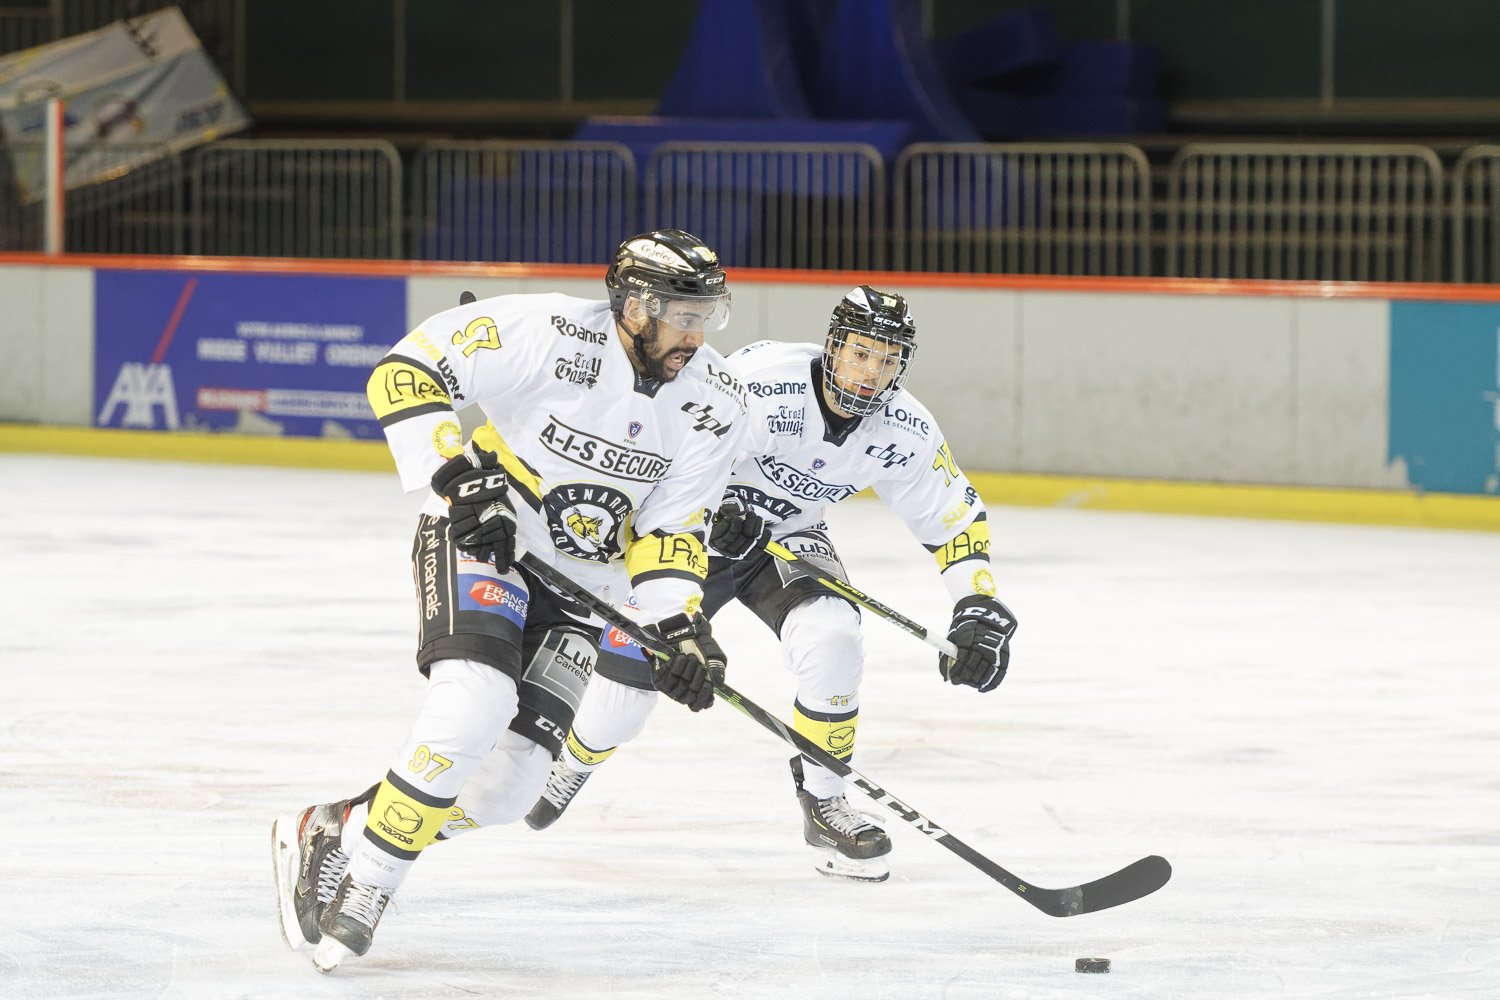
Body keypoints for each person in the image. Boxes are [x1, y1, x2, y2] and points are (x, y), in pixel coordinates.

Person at [271, 230, 750, 972]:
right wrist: (457, 475)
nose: (696, 335)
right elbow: (405, 371)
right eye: (684, 316)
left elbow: (671, 529)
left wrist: (678, 625)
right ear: (635, 307)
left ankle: (342, 828)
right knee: (475, 703)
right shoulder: (547, 331)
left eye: (705, 316)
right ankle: (370, 883)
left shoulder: (717, 402)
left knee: (508, 787)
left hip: (585, 590)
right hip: (486, 540)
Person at [525, 285, 1018, 882]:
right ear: (834, 346)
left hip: (788, 539)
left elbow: (954, 518)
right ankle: (576, 760)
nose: (871, 373)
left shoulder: (904, 428)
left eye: (888, 360)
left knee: (834, 635)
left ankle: (826, 803)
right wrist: (717, 501)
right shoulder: (763, 383)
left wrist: (977, 602)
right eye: (861, 353)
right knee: (622, 705)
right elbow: (668, 445)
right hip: (689, 531)